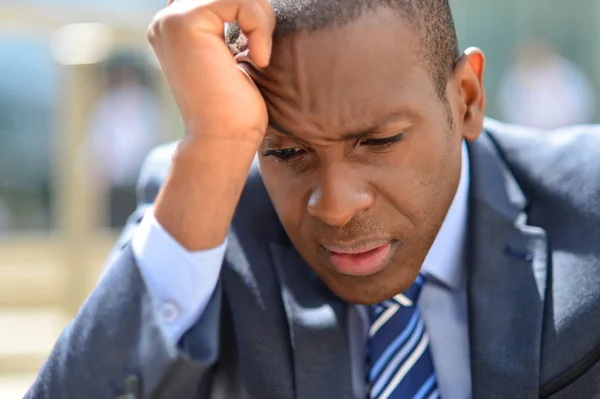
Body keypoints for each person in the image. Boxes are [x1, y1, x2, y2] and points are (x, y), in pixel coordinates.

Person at [26, 0, 600, 398]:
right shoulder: (208, 209)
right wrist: (217, 146)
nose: (335, 206)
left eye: (378, 141)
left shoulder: (589, 199)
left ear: (467, 99)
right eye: (286, 153)